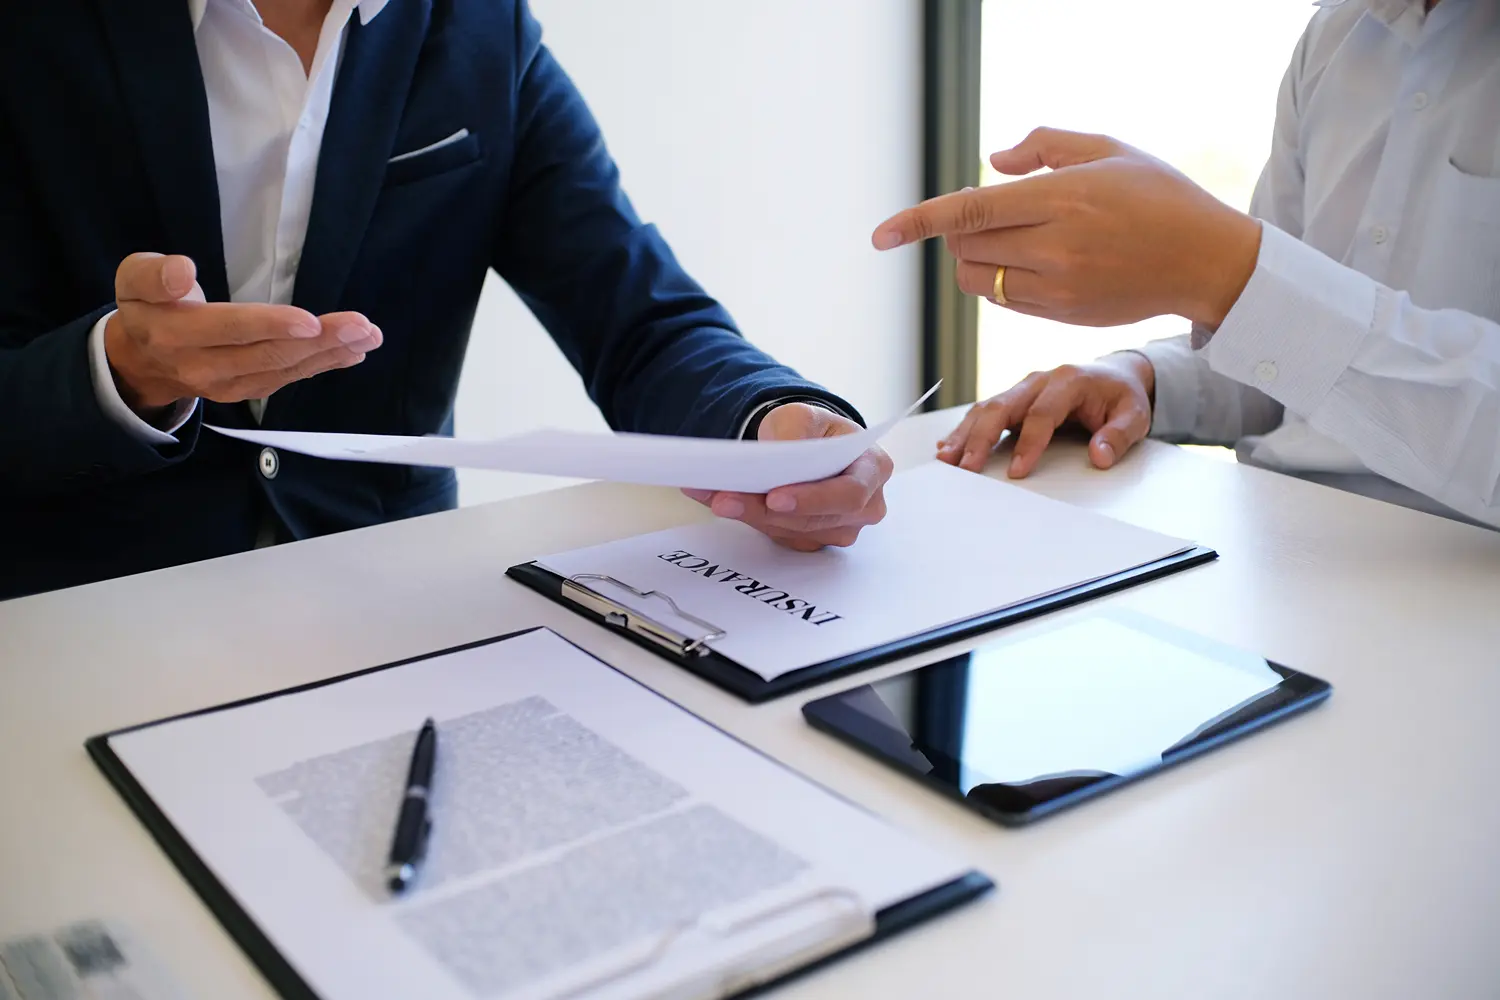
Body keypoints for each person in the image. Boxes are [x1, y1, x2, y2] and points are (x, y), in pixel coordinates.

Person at [0, 0, 891, 600]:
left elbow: (637, 314)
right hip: (86, 606)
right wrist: (117, 374)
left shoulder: (481, 27)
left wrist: (771, 420)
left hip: (395, 598)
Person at [872, 0, 1500, 530]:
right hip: (1277, 544)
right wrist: (1144, 379)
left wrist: (1225, 273)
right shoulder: (1338, 42)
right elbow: (1289, 357)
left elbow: (1283, 315)